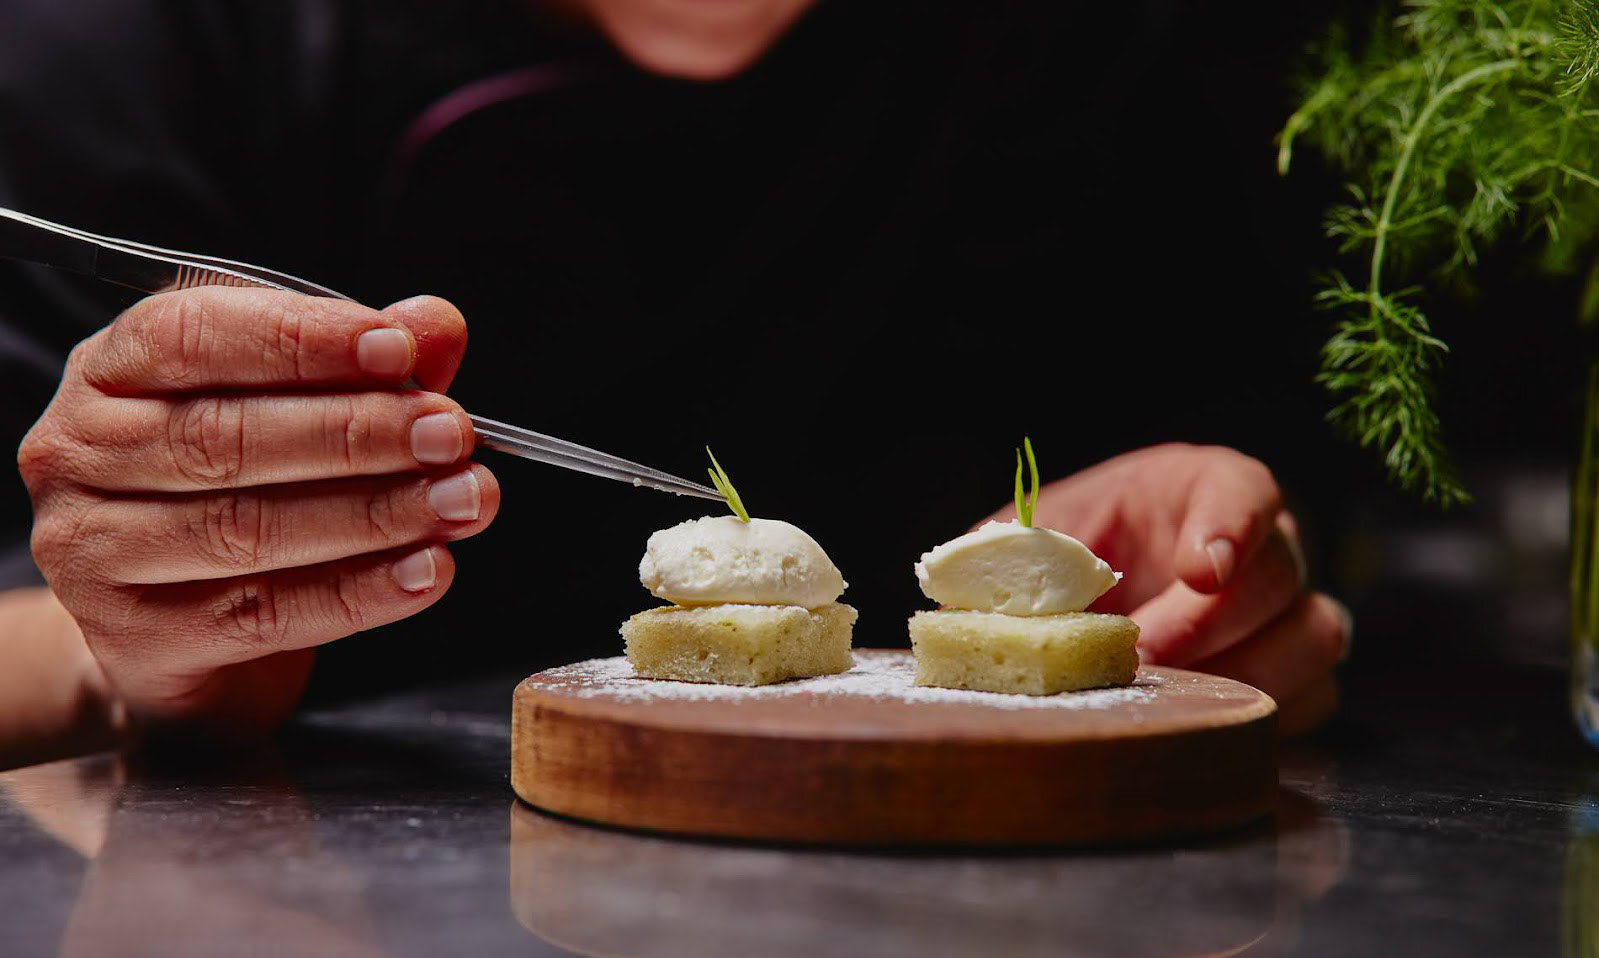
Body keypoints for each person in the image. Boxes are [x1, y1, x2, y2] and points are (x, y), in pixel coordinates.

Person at [0, 0, 1349, 767]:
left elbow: (1266, 469)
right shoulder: (136, 47)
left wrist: (1210, 595)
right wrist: (131, 657)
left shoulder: (1130, 53)